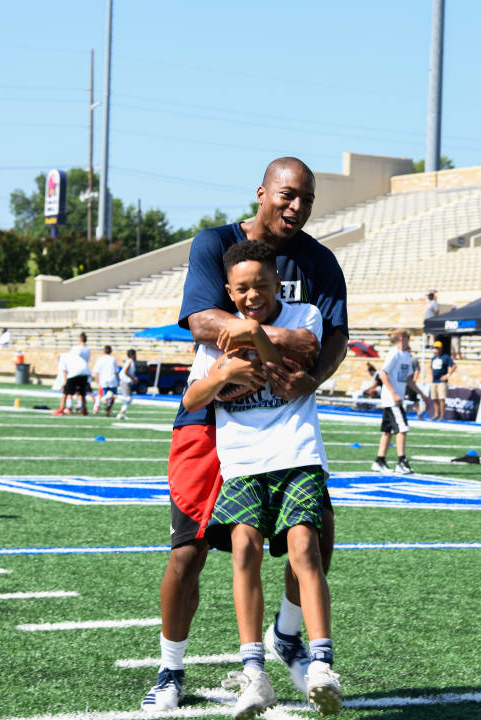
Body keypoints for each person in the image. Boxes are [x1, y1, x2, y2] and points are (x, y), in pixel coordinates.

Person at [143, 157, 348, 713]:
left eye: (305, 198)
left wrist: (308, 379)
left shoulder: (320, 261)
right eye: (286, 195)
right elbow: (205, 322)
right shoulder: (215, 244)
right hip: (211, 418)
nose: (295, 206)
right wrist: (275, 338)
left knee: (318, 532)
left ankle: (286, 636)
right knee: (188, 551)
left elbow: (331, 343)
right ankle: (170, 668)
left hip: (281, 419)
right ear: (261, 192)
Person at [183, 240, 341, 718]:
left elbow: (279, 372)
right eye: (243, 290)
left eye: (262, 286)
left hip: (296, 454)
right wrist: (224, 371)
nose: (253, 295)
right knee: (245, 551)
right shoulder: (216, 340)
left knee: (304, 551)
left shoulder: (305, 316)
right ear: (229, 292)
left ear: (279, 284)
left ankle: (321, 665)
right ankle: (254, 673)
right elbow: (193, 399)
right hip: (243, 462)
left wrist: (254, 336)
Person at [374, 329, 423, 474]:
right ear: (401, 338)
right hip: (392, 400)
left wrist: (423, 394)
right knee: (402, 429)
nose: (410, 339)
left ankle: (379, 460)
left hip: (395, 399)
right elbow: (383, 374)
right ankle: (401, 461)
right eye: (408, 336)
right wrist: (394, 394)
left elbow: (409, 380)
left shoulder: (406, 355)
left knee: (387, 432)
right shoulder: (394, 353)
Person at [53, 349, 91, 416]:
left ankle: (61, 409)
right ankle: (84, 410)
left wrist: (64, 382)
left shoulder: (63, 358)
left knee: (65, 392)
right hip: (85, 372)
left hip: (75, 373)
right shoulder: (72, 357)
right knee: (82, 393)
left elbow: (64, 371)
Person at [427, 340, 456, 421]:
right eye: (435, 348)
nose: (436, 349)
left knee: (441, 398)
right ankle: (436, 414)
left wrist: (447, 375)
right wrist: (431, 374)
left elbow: (454, 366)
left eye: (437, 348)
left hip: (441, 382)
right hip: (434, 381)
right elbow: (430, 366)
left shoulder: (445, 357)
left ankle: (442, 415)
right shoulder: (433, 358)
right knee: (434, 398)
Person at [94, 345, 120, 416]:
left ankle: (106, 407)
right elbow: (116, 371)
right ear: (111, 351)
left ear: (103, 351)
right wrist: (118, 380)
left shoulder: (100, 359)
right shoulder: (113, 359)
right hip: (112, 379)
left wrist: (97, 381)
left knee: (105, 396)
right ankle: (110, 408)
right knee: (114, 395)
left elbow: (96, 372)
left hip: (103, 380)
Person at [115, 349, 137, 421]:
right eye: (135, 355)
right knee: (128, 398)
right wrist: (133, 378)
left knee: (129, 400)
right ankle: (113, 396)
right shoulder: (130, 361)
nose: (136, 356)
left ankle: (121, 414)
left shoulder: (130, 361)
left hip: (126, 381)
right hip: (125, 381)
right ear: (132, 355)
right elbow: (125, 371)